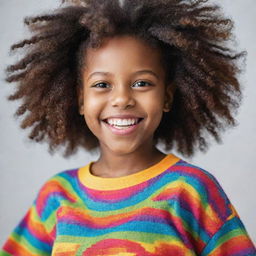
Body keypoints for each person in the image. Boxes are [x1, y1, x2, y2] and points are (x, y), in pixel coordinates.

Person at [1, 0, 255, 255]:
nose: (122, 99)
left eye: (142, 83)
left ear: (166, 98)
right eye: (102, 85)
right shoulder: (57, 196)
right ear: (80, 100)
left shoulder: (191, 190)